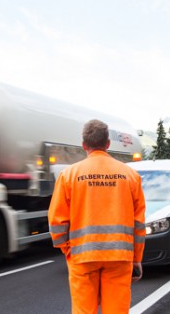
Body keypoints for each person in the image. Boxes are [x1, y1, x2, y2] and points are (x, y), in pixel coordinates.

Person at [48, 119, 146, 314]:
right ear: (108, 144)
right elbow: (138, 223)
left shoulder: (69, 176)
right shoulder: (130, 176)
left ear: (84, 145)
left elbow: (56, 222)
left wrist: (68, 250)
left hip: (82, 257)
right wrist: (136, 258)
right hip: (119, 257)